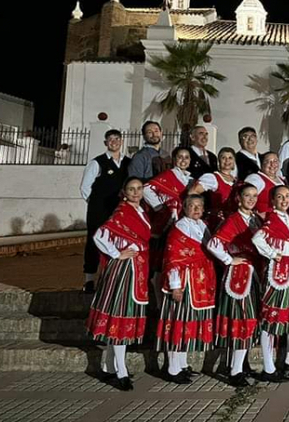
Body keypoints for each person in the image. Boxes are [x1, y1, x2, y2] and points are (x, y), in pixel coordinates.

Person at [85, 176, 150, 391]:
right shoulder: (122, 212)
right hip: (124, 271)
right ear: (124, 191)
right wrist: (116, 254)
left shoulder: (141, 212)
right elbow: (100, 235)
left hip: (137, 270)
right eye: (131, 189)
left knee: (122, 320)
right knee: (121, 319)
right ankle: (121, 371)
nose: (136, 192)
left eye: (139, 188)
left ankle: (109, 366)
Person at [207, 184, 263, 387]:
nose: (251, 199)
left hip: (252, 273)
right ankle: (235, 370)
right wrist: (230, 260)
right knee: (242, 320)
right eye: (247, 195)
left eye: (254, 195)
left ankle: (241, 363)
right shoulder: (233, 219)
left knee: (250, 319)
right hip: (240, 277)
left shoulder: (255, 219)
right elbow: (213, 244)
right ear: (239, 198)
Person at [155, 195, 216, 384]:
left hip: (199, 282)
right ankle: (173, 368)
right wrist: (175, 286)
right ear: (185, 208)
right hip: (184, 282)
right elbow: (173, 258)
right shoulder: (179, 228)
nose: (196, 209)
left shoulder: (202, 226)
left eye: (199, 206)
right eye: (192, 206)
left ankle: (182, 364)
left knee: (188, 325)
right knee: (178, 323)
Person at [252, 185, 289, 382]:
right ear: (272, 201)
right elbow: (258, 239)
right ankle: (269, 367)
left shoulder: (287, 218)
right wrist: (274, 255)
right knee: (271, 321)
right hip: (278, 277)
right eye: (280, 197)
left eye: (287, 196)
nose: (284, 200)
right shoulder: (272, 219)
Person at [80, 129, 131, 294]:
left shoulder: (128, 163)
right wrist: (96, 203)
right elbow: (85, 188)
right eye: (110, 139)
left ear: (121, 141)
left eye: (117, 139)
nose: (114, 142)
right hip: (99, 211)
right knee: (94, 241)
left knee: (118, 242)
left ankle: (113, 279)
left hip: (120, 212)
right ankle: (89, 280)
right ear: (105, 143)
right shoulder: (97, 163)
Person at [142, 147, 194, 293]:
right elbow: (146, 189)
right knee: (163, 263)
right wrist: (161, 207)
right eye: (180, 157)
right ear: (174, 160)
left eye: (186, 157)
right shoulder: (168, 175)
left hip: (186, 224)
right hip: (170, 224)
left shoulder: (191, 180)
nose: (183, 160)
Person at [189, 147, 238, 231]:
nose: (227, 161)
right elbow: (192, 192)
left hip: (232, 223)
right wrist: (201, 209)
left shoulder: (236, 181)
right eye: (223, 158)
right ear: (219, 161)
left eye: (230, 158)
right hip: (216, 223)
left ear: (234, 162)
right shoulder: (212, 178)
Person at [244, 152, 286, 220]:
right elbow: (244, 199)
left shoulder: (282, 180)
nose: (272, 164)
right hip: (263, 222)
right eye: (268, 161)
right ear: (261, 164)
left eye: (275, 161)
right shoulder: (256, 178)